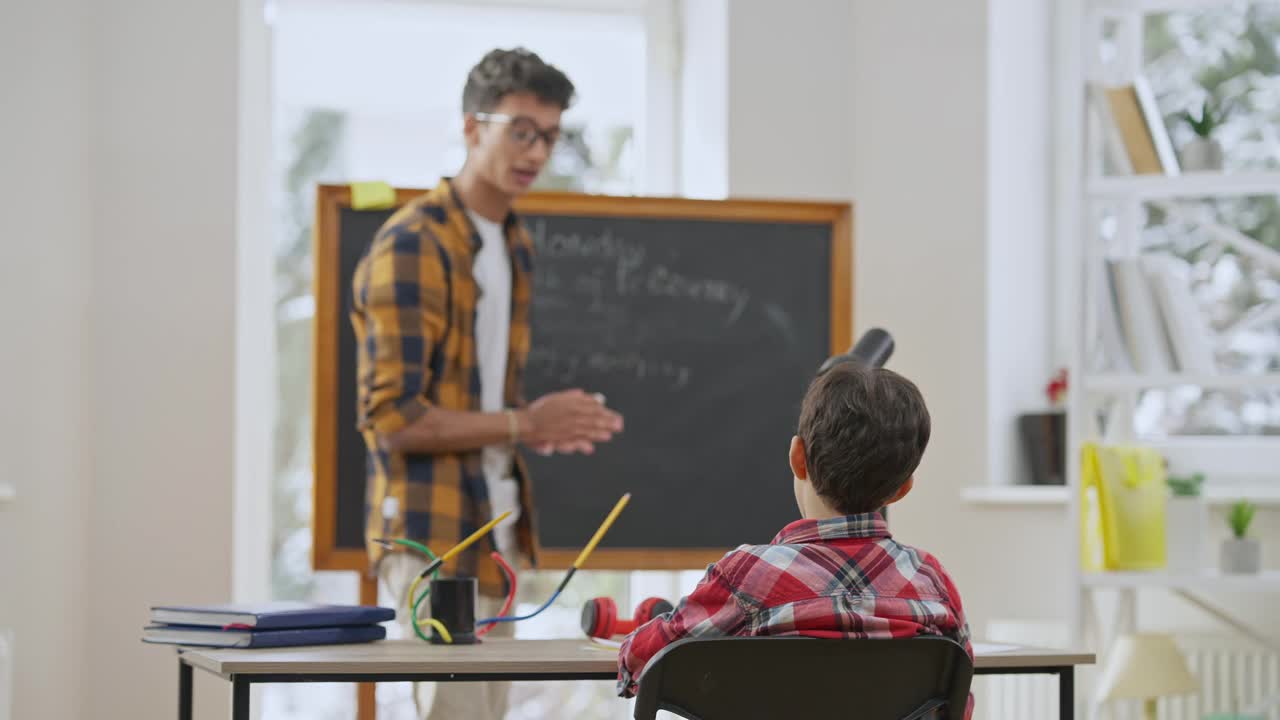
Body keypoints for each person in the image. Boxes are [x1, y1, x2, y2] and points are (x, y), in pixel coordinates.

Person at [350, 47, 624, 720]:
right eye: (520, 131)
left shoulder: (513, 243)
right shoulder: (414, 243)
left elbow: (481, 398)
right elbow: (390, 417)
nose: (536, 151)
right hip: (429, 532)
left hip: (496, 524)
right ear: (473, 128)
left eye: (550, 136)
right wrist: (524, 424)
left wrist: (530, 429)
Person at [616, 362, 973, 717]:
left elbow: (640, 661)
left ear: (797, 457)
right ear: (902, 489)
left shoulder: (747, 577)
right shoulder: (932, 581)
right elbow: (957, 702)